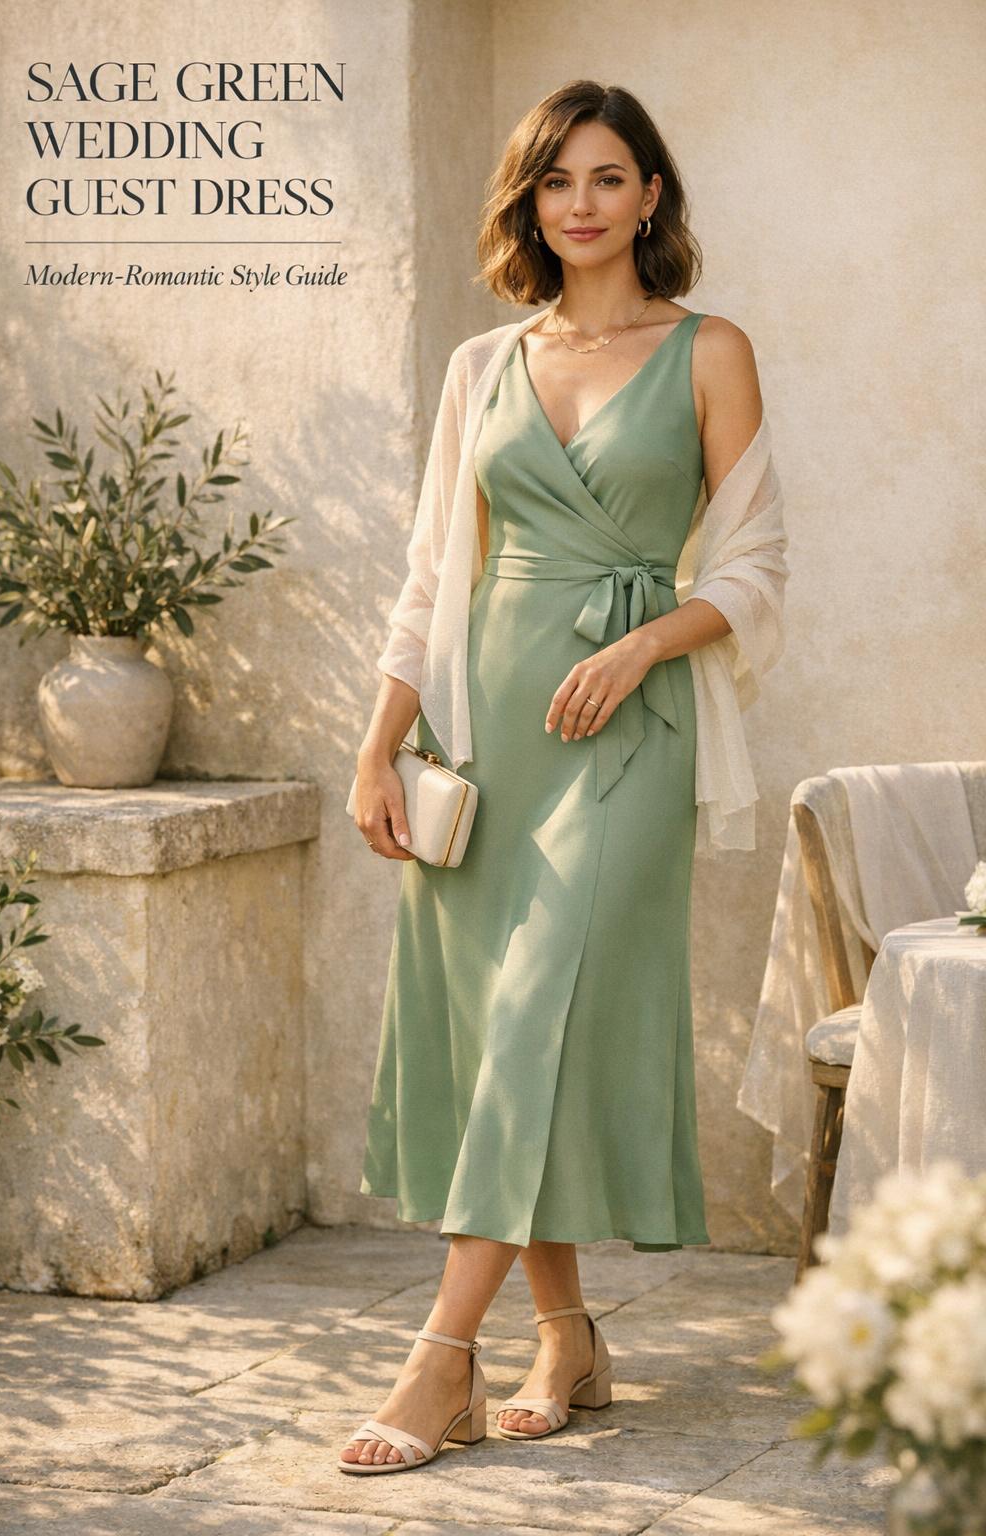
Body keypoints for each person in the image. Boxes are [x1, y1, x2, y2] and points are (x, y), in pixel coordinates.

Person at [340, 79, 786, 1474]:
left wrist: (648, 643)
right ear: (530, 203)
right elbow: (430, 578)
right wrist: (378, 745)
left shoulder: (711, 350)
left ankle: (440, 1363)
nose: (581, 203)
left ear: (652, 196)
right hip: (490, 737)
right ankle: (569, 1338)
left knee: (537, 1015)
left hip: (628, 732)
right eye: (555, 182)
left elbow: (761, 567)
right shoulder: (482, 366)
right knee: (500, 1041)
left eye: (608, 177)